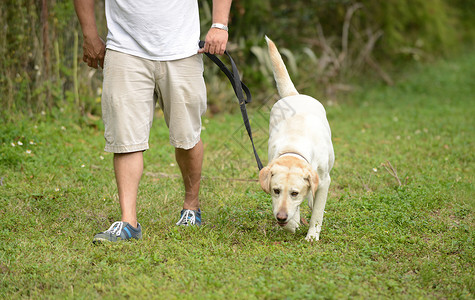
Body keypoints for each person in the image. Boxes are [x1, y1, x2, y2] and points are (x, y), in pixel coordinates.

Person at [74, 0, 232, 243]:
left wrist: (220, 25)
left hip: (182, 49)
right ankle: (128, 222)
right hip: (125, 49)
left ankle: (191, 207)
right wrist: (89, 35)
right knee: (125, 139)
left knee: (187, 137)